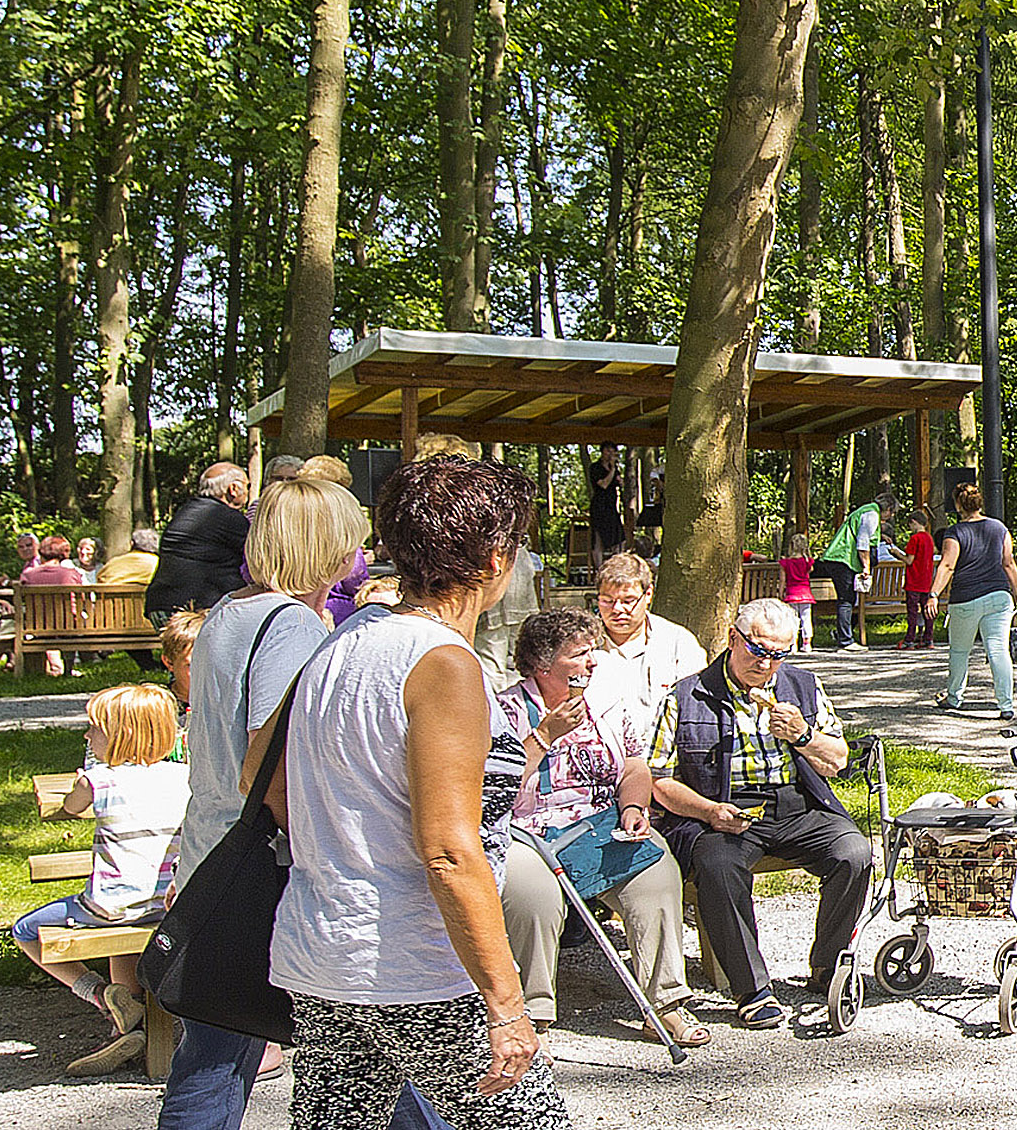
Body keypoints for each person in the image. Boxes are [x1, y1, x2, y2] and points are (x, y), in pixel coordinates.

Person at [263, 455, 569, 1127]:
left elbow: (263, 774)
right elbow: (449, 851)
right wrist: (506, 1002)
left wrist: (344, 850)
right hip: (417, 967)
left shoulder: (343, 639)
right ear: (494, 558)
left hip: (324, 953)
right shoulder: (443, 664)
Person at [153, 474, 364, 1130]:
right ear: (328, 548)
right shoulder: (290, 625)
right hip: (258, 859)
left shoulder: (231, 608)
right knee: (219, 1059)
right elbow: (269, 764)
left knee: (221, 1048)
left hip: (213, 845)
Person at [644, 597, 880, 1030]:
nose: (768, 664)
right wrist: (709, 811)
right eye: (759, 650)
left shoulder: (803, 686)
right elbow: (658, 781)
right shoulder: (687, 694)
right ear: (734, 639)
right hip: (722, 806)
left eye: (779, 654)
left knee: (854, 852)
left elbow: (838, 760)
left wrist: (803, 736)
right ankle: (752, 989)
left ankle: (827, 967)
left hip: (795, 802)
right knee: (716, 864)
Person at [488, 608, 700, 1043]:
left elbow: (634, 767)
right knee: (533, 894)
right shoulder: (504, 710)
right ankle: (534, 1016)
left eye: (592, 650)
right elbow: (493, 785)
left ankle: (667, 1002)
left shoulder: (604, 702)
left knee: (656, 871)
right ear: (544, 666)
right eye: (580, 654)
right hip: (526, 830)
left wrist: (633, 807)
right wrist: (544, 736)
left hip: (596, 821)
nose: (593, 661)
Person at [13, 683, 187, 1076]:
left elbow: (72, 808)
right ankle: (128, 1023)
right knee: (128, 929)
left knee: (25, 930)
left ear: (120, 736)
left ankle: (104, 998)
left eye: (94, 728)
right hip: (166, 906)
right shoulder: (185, 777)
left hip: (110, 907)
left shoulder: (99, 780)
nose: (87, 735)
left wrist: (80, 783)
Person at [590, 552, 707, 751]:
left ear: (648, 595)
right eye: (607, 601)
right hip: (599, 757)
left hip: (664, 760)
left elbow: (697, 711)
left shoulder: (678, 643)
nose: (617, 609)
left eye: (628, 600)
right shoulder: (582, 647)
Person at [932, 483, 1017, 718]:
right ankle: (1006, 705)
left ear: (958, 505)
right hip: (999, 597)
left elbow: (948, 565)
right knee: (999, 651)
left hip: (966, 598)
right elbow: (1008, 563)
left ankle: (954, 697)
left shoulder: (955, 532)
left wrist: (933, 594)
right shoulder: (999, 528)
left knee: (960, 651)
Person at [147, 462, 256, 618]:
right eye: (248, 486)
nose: (248, 491)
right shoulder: (230, 519)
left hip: (161, 605)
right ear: (233, 489)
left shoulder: (185, 512)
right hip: (198, 609)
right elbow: (257, 559)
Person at [814, 494, 877, 650]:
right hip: (843, 560)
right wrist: (866, 566)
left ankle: (845, 637)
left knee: (847, 599)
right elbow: (863, 542)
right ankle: (845, 641)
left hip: (838, 558)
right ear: (889, 510)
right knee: (846, 600)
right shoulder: (872, 514)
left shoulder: (861, 512)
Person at [899, 511, 939, 648]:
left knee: (912, 612)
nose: (910, 527)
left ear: (914, 522)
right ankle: (929, 639)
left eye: (910, 525)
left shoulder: (914, 539)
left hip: (913, 581)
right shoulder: (929, 538)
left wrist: (896, 553)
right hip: (926, 581)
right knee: (927, 611)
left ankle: (909, 639)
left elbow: (909, 560)